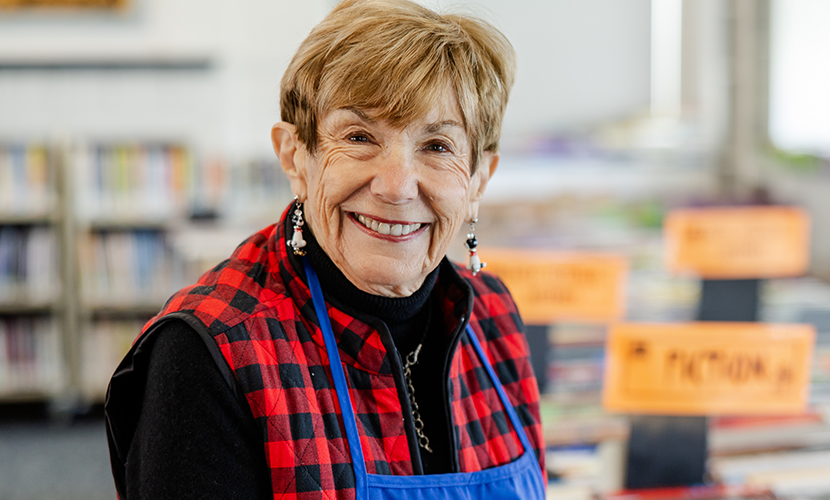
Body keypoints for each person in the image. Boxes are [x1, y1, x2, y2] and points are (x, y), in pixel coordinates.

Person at [104, 0, 544, 498]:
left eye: (437, 146)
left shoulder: (494, 317)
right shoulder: (210, 351)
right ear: (295, 156)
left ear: (480, 178)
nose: (397, 186)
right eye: (359, 137)